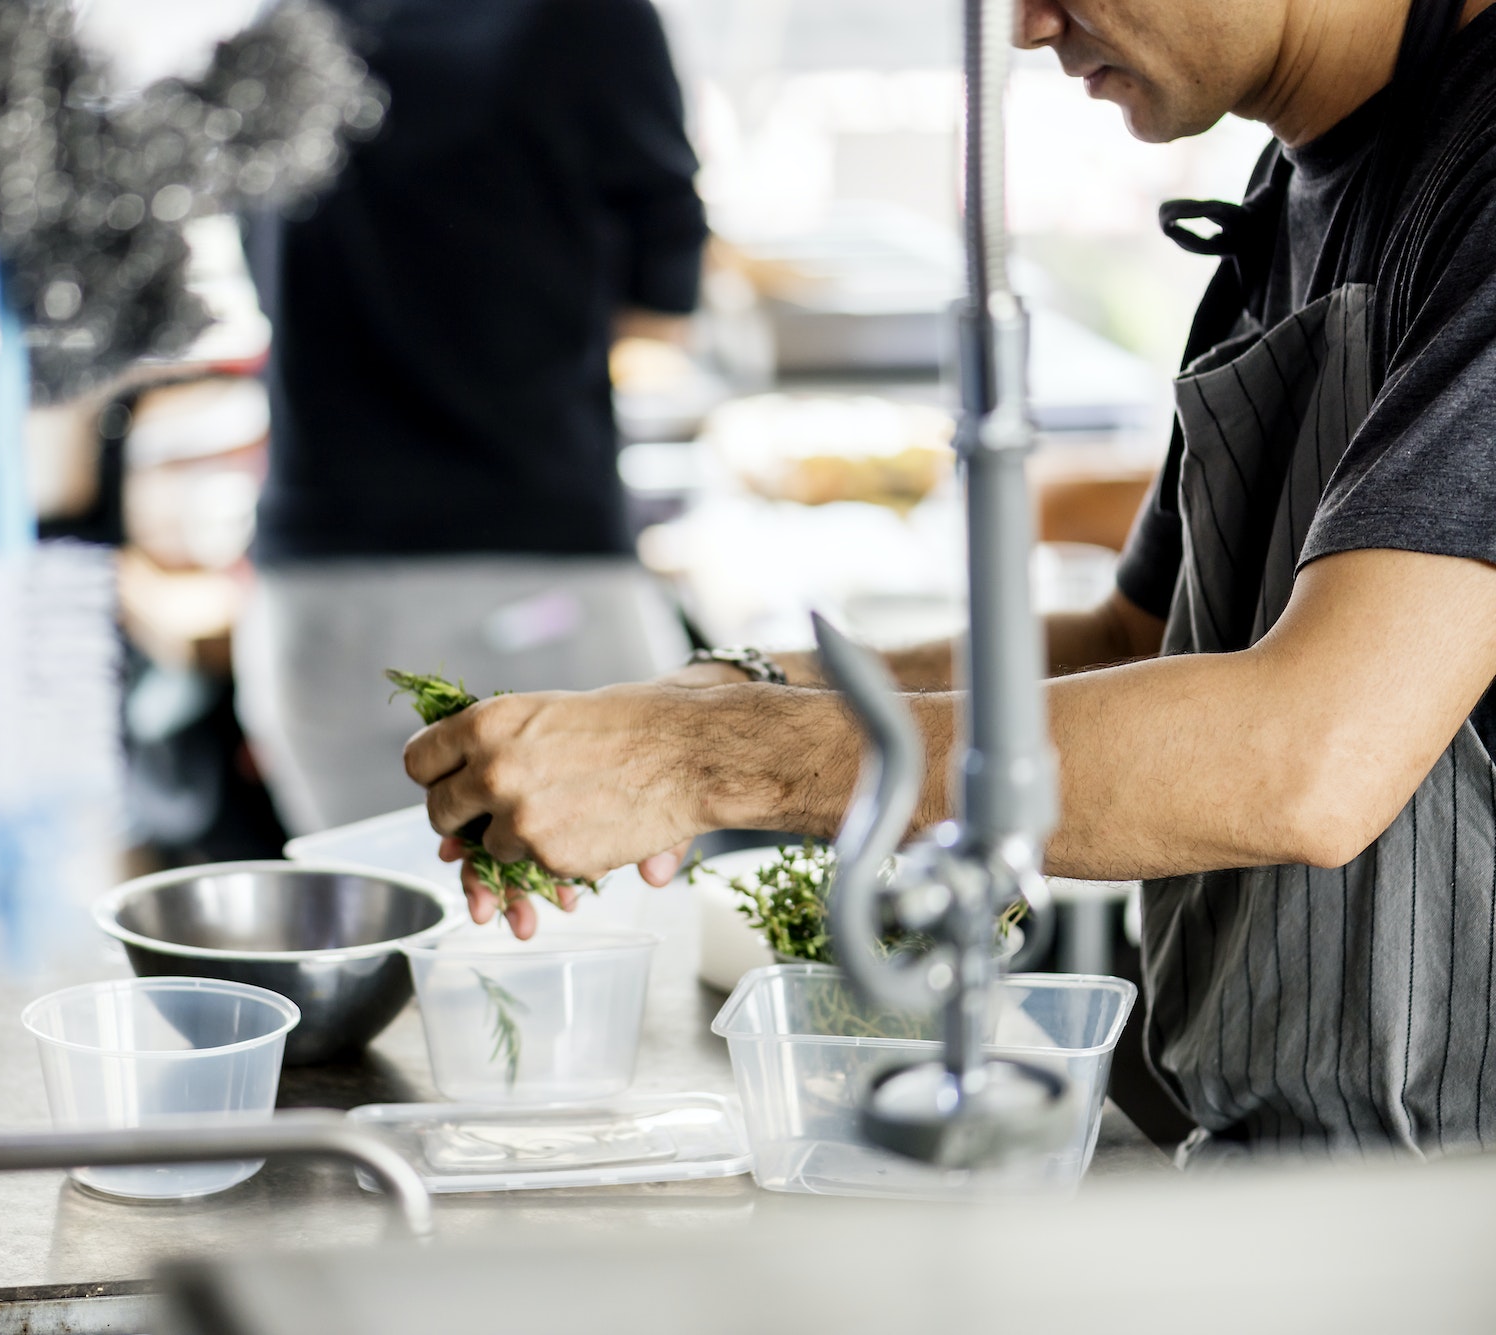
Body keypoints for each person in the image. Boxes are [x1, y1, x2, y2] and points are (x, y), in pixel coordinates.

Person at [406, 0, 1496, 1161]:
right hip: (1297, 1164)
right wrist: (734, 691)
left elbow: (1308, 756)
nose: (1024, 26)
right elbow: (1134, 635)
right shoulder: (1291, 199)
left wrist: (699, 764)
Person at [235, 0, 705, 834]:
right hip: (534, 576)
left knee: (378, 937)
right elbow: (662, 303)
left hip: (315, 600)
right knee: (606, 942)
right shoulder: (594, 20)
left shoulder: (272, 19)